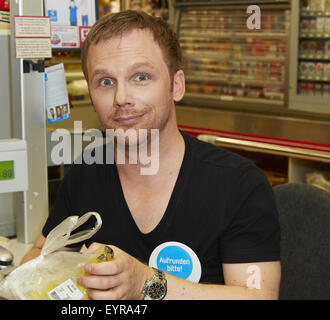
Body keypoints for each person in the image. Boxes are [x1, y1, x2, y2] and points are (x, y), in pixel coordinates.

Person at [21, 10, 281, 300]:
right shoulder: (87, 174)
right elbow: (38, 259)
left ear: (176, 85)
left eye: (140, 77)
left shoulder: (239, 185)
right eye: (105, 82)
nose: (121, 98)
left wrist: (145, 283)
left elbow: (259, 297)